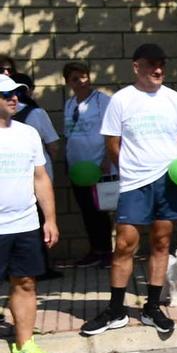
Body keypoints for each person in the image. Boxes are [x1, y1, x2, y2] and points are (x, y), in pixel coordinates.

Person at [81, 44, 177, 338]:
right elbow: (112, 143)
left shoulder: (173, 98)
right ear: (137, 67)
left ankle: (152, 308)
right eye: (151, 65)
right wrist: (132, 169)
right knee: (124, 245)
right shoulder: (121, 100)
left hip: (169, 181)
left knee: (161, 242)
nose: (158, 70)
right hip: (135, 183)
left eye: (162, 65)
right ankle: (116, 310)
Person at [0, 80, 60, 353]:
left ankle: (24, 346)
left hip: (24, 224)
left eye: (16, 93)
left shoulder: (28, 133)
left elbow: (40, 178)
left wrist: (49, 219)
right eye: (6, 94)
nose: (14, 98)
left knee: (25, 283)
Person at [60, 62, 115, 266]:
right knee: (86, 211)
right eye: (75, 78)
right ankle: (95, 249)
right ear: (68, 82)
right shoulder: (69, 104)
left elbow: (113, 130)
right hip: (78, 167)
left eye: (84, 77)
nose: (81, 82)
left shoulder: (102, 101)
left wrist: (108, 158)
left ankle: (107, 252)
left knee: (100, 211)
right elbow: (68, 135)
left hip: (98, 164)